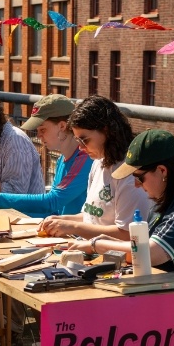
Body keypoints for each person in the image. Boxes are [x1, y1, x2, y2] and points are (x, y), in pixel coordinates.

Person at [67, 129, 174, 343]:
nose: (136, 185)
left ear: (162, 170)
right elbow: (141, 248)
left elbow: (152, 253)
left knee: (112, 328)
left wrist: (95, 244)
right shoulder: (170, 198)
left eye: (139, 177)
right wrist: (103, 244)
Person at [38, 95, 153, 239]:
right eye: (78, 140)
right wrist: (60, 220)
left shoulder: (130, 174)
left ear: (106, 131)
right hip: (90, 249)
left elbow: (128, 233)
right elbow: (90, 218)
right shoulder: (97, 162)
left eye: (84, 139)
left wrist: (72, 227)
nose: (80, 147)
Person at [0, 94, 91, 218]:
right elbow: (54, 211)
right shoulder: (61, 160)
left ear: (62, 126)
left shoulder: (85, 158)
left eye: (42, 130)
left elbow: (53, 201)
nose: (38, 136)